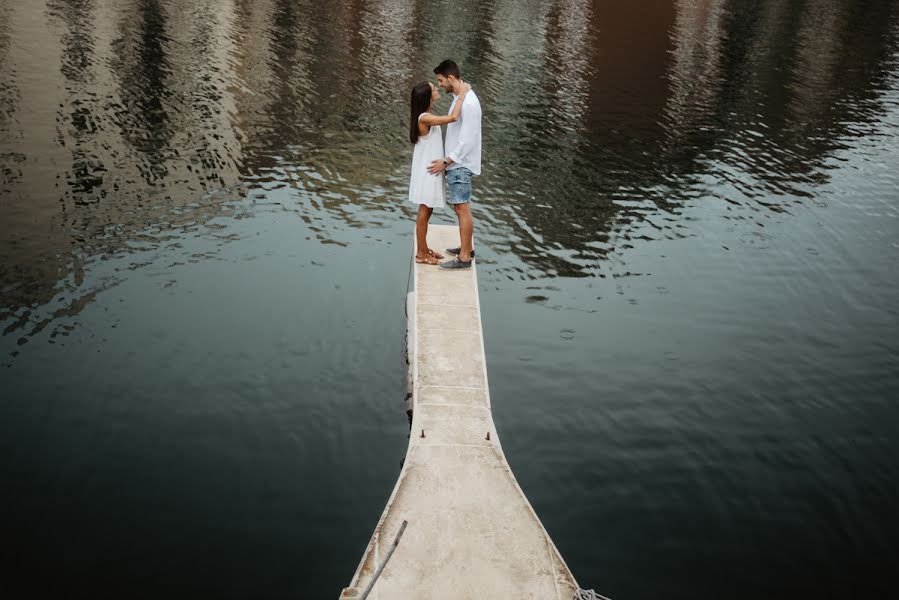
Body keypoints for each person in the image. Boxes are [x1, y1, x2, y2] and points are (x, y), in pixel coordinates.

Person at [408, 80, 470, 264]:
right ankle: (421, 253)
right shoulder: (424, 118)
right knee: (424, 211)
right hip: (428, 172)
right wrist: (461, 95)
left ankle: (424, 248)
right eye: (433, 88)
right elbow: (452, 118)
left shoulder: (425, 116)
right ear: (428, 96)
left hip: (431, 170)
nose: (436, 88)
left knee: (428, 210)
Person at [428, 59, 482, 270]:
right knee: (461, 208)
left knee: (462, 208)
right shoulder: (462, 97)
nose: (440, 84)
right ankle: (465, 247)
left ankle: (465, 258)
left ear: (451, 78)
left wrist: (446, 161)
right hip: (458, 163)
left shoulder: (468, 103)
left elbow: (467, 140)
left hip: (460, 164)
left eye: (441, 80)